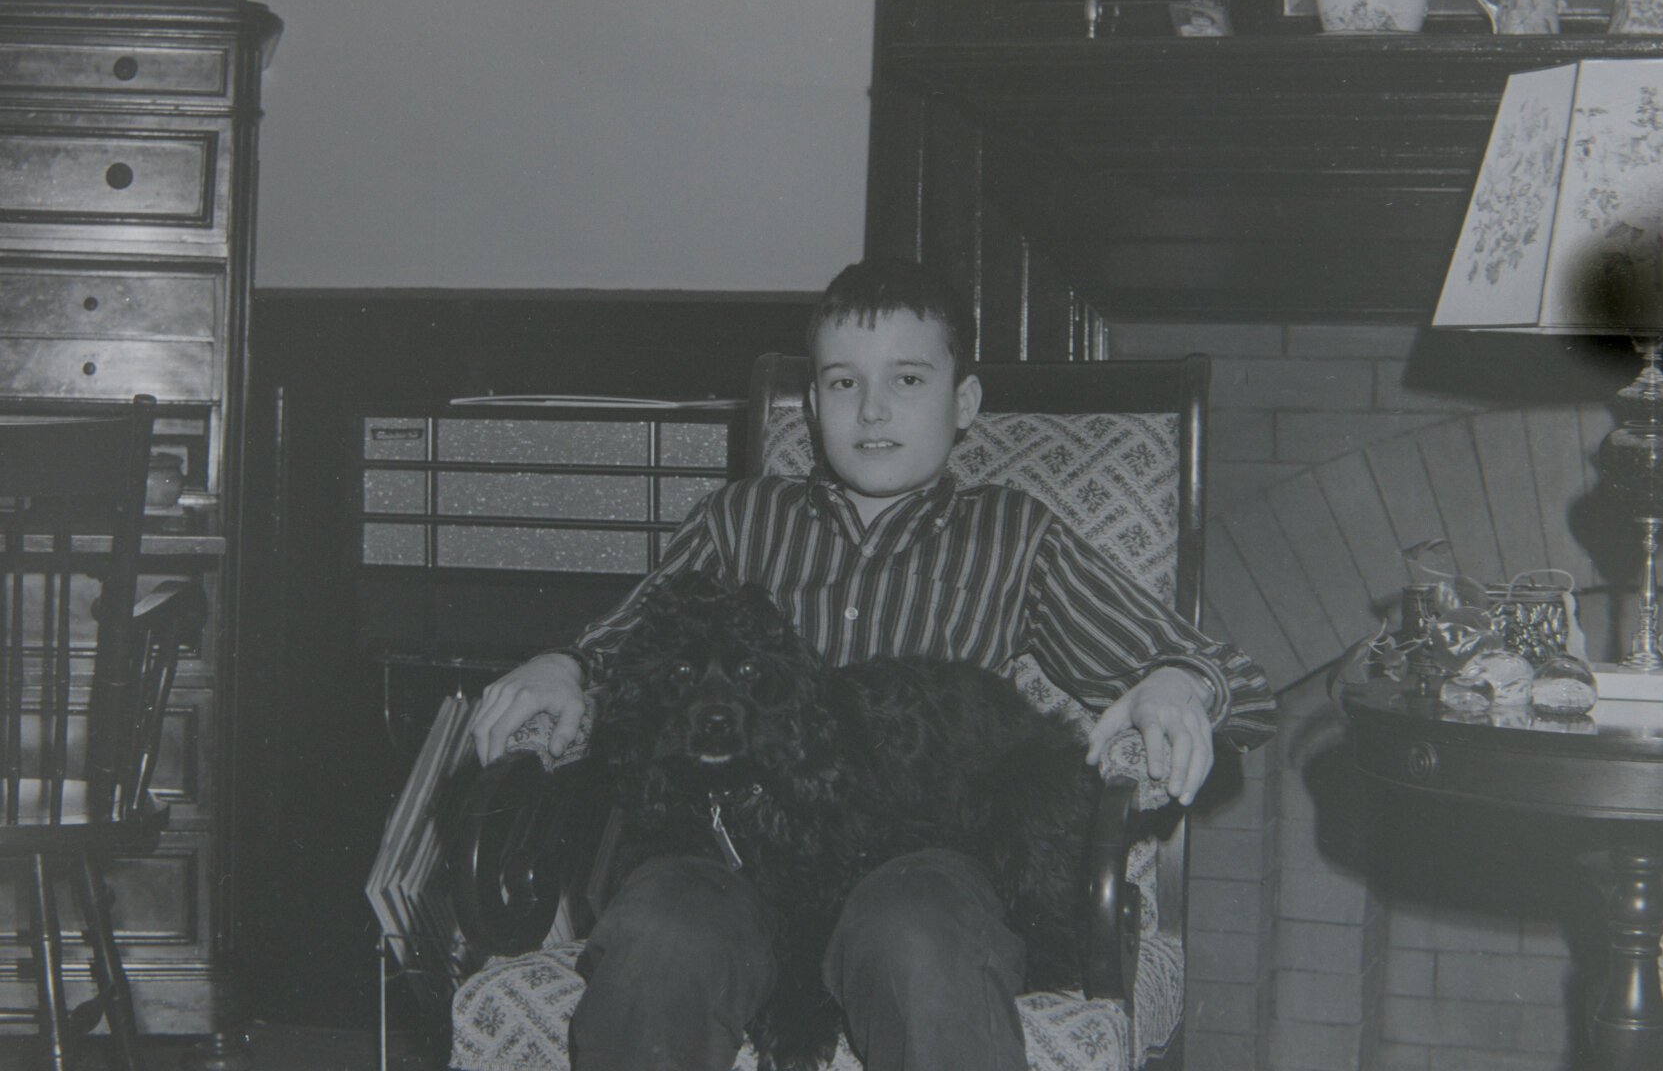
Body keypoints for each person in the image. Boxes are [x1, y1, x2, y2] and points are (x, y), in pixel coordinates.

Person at [470, 257, 1275, 1071]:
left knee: (917, 935)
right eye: (844, 384)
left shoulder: (1012, 536)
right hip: (730, 863)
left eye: (909, 380)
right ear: (814, 403)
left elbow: (1235, 683)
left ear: (964, 403)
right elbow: (629, 646)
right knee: (662, 933)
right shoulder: (743, 520)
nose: (874, 409)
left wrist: (1179, 681)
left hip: (920, 866)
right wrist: (564, 663)